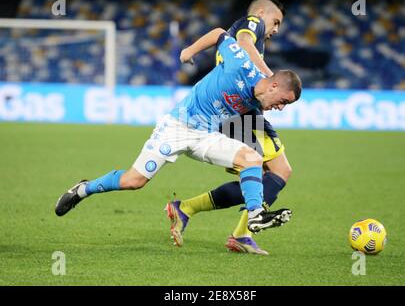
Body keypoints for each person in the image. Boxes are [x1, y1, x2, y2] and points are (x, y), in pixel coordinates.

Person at [55, 30, 302, 245]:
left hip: (206, 135)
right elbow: (219, 34)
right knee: (134, 181)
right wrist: (188, 51)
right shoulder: (241, 66)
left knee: (252, 159)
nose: (280, 108)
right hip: (176, 128)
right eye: (283, 101)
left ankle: (256, 213)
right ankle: (83, 189)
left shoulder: (258, 101)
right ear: (273, 87)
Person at [167, 0, 293, 255]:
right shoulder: (253, 23)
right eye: (276, 21)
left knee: (261, 177)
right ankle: (239, 233)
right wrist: (269, 76)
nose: (276, 29)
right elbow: (243, 40)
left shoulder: (257, 38)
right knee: (275, 173)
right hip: (241, 114)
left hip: (239, 112)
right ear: (262, 12)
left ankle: (189, 210)